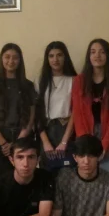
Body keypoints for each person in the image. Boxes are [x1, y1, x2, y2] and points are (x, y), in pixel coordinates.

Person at [71, 39, 109, 182]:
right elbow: (78, 114)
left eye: (102, 52)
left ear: (108, 55)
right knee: (88, 181)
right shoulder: (79, 81)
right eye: (93, 52)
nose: (97, 56)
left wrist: (105, 145)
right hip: (86, 135)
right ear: (88, 56)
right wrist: (87, 145)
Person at [0, 43, 37, 177]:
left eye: (15, 57)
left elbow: (31, 118)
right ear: (1, 59)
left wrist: (17, 144)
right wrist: (4, 144)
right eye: (7, 57)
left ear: (20, 60)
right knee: (1, 181)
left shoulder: (28, 86)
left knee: (23, 179)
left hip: (22, 137)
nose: (11, 61)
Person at [35, 41, 77, 169]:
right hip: (46, 131)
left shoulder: (74, 80)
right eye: (51, 56)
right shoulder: (39, 81)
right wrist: (45, 142)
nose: (55, 59)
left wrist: (64, 141)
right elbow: (37, 114)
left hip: (66, 130)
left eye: (59, 55)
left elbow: (76, 112)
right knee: (47, 170)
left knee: (67, 169)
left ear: (65, 57)